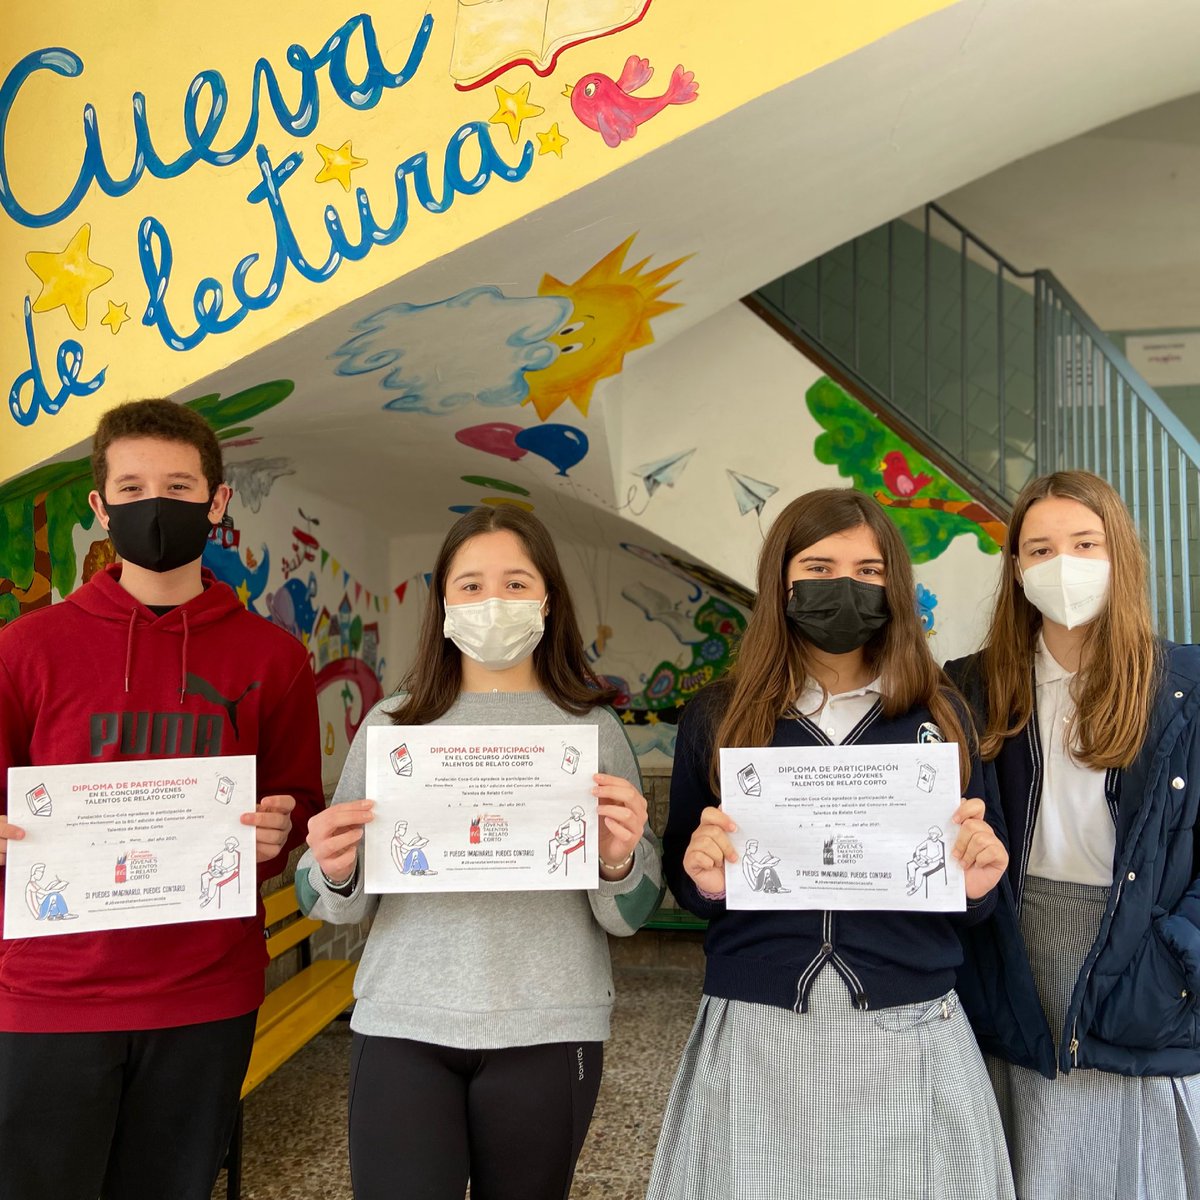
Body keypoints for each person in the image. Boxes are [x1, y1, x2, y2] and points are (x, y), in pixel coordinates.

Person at [648, 488, 1014, 1200]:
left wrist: (978, 885)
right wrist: (704, 878)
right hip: (760, 1023)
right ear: (781, 585)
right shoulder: (721, 717)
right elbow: (686, 878)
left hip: (910, 1021)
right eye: (818, 567)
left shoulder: (943, 715)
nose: (843, 586)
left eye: (868, 571)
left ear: (894, 587)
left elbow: (976, 897)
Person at [0, 398, 324, 1200]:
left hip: (203, 990)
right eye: (135, 485)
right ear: (101, 506)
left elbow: (302, 807)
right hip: (49, 990)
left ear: (215, 503)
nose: (157, 505)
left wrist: (280, 832)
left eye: (180, 487)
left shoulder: (273, 657)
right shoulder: (24, 648)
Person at [297, 505, 663, 1200]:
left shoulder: (591, 729)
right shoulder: (393, 727)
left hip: (550, 1027)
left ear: (549, 600)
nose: (493, 602)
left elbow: (629, 914)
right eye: (470, 586)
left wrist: (618, 861)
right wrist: (334, 868)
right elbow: (331, 902)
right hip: (404, 1021)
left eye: (516, 583)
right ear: (443, 605)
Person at [946, 469, 1200, 1200]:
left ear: (1121, 555)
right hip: (1010, 961)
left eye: (1086, 543)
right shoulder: (969, 690)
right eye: (1041, 548)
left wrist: (1175, 962)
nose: (1064, 566)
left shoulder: (1183, 686)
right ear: (1017, 568)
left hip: (1139, 967)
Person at [199, 836, 241, 906]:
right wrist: (213, 866)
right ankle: (206, 891)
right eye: (227, 844)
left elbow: (235, 864)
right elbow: (214, 859)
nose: (228, 846)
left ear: (234, 845)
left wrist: (226, 870)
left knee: (213, 882)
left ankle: (209, 898)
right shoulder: (224, 852)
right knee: (204, 876)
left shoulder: (235, 854)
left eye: (230, 844)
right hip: (220, 869)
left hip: (229, 871)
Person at [906, 826, 947, 895]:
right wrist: (918, 856)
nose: (931, 835)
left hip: (934, 862)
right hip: (925, 859)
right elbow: (918, 848)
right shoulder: (928, 841)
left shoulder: (939, 844)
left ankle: (915, 887)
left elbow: (940, 855)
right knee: (910, 865)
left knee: (919, 871)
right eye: (930, 833)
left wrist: (932, 860)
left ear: (937, 834)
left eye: (933, 833)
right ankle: (912, 880)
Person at [547, 804, 586, 872]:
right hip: (567, 836)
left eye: (575, 813)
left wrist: (572, 838)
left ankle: (556, 865)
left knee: (560, 849)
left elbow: (581, 834)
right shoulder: (571, 820)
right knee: (552, 842)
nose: (574, 815)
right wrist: (560, 834)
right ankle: (553, 857)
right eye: (573, 813)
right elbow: (561, 826)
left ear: (579, 814)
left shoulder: (581, 823)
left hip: (575, 840)